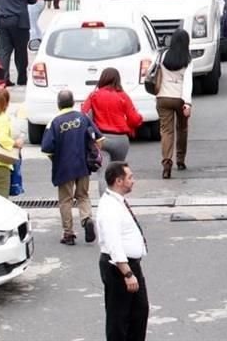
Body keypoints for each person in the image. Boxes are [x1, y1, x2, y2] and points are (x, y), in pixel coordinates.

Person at [97, 162, 149, 341]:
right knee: (119, 319)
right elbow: (114, 244)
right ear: (119, 181)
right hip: (119, 268)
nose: (133, 181)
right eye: (130, 177)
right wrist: (127, 274)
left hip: (130, 265)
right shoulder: (110, 208)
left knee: (139, 313)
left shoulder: (117, 202)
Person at [42, 89, 102, 245]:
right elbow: (99, 138)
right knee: (83, 195)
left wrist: (55, 159)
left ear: (58, 104)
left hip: (64, 167)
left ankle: (68, 234)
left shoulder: (54, 122)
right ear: (73, 102)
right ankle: (87, 218)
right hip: (83, 165)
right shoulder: (83, 118)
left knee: (66, 200)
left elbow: (47, 148)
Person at [82, 68, 143, 192]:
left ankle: (105, 203)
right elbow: (135, 119)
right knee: (119, 174)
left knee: (103, 174)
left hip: (102, 139)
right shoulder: (123, 96)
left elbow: (83, 115)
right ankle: (117, 201)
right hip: (121, 140)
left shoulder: (94, 96)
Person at [156, 29, 193, 179]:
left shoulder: (162, 55)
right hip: (180, 99)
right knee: (182, 129)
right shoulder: (188, 60)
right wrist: (188, 103)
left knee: (166, 131)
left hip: (163, 97)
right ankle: (180, 159)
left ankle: (166, 162)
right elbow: (188, 82)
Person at [0, 89, 22, 196]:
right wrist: (16, 143)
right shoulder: (2, 118)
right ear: (6, 103)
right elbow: (2, 139)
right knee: (2, 203)